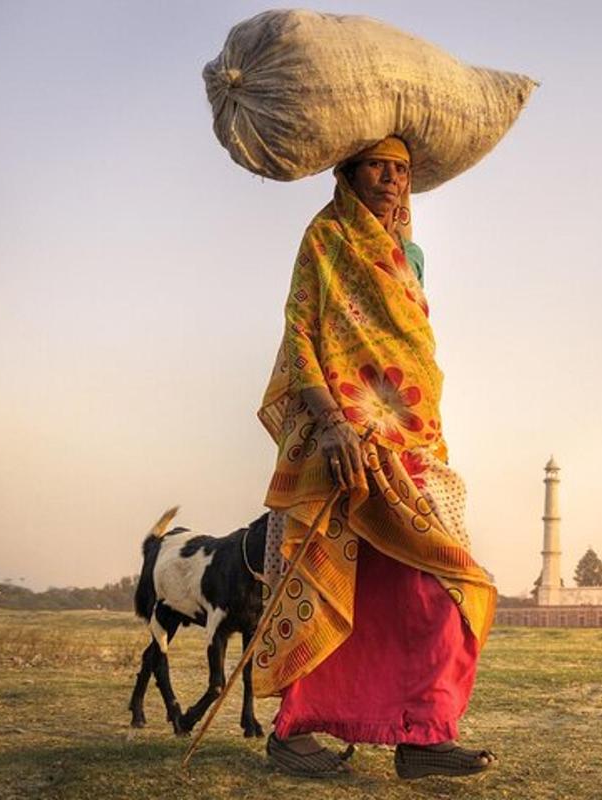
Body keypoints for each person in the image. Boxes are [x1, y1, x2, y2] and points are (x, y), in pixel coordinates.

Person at [253, 136, 498, 778]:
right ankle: (292, 732)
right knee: (327, 575)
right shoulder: (325, 240)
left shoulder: (411, 255)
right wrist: (334, 423)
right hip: (342, 438)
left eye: (399, 171)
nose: (389, 180)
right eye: (376, 168)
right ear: (348, 174)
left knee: (440, 583)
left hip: (411, 439)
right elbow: (301, 332)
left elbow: (409, 343)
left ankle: (423, 736)